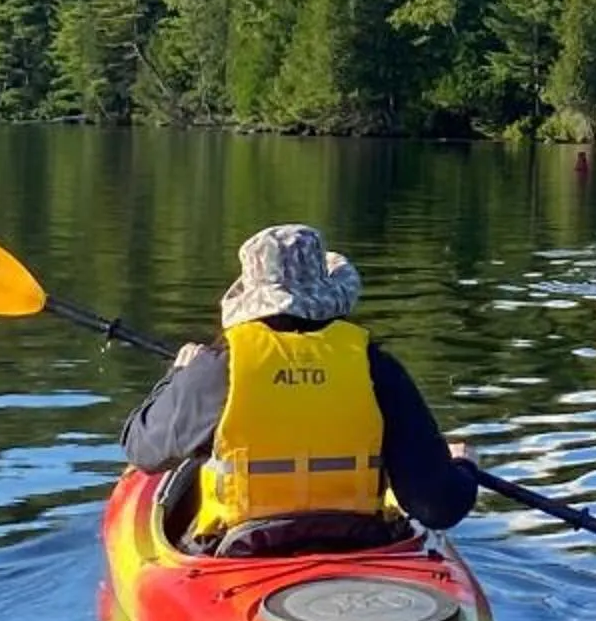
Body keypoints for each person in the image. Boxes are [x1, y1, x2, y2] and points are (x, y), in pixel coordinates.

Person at [122, 224, 477, 557]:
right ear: (329, 296)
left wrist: (177, 375)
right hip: (358, 544)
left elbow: (142, 450)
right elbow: (437, 508)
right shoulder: (376, 366)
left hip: (241, 552)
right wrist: (462, 467)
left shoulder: (217, 369)